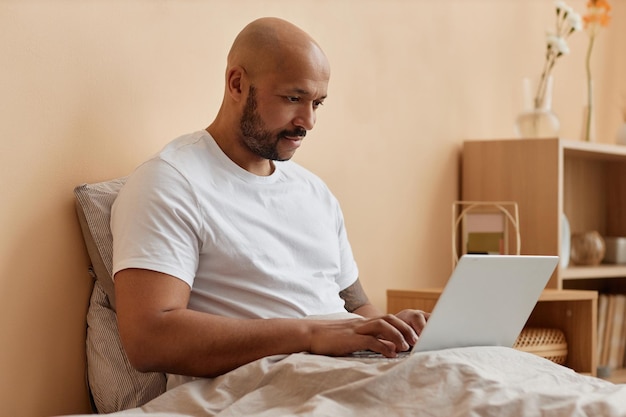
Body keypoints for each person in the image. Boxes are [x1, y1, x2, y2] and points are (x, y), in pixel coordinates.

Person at [111, 16, 429, 388]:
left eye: (317, 103)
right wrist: (311, 334)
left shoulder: (314, 192)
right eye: (293, 98)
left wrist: (394, 332)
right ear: (237, 83)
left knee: (491, 371)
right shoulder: (171, 181)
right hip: (266, 386)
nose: (307, 121)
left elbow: (357, 307)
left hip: (351, 374)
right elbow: (149, 339)